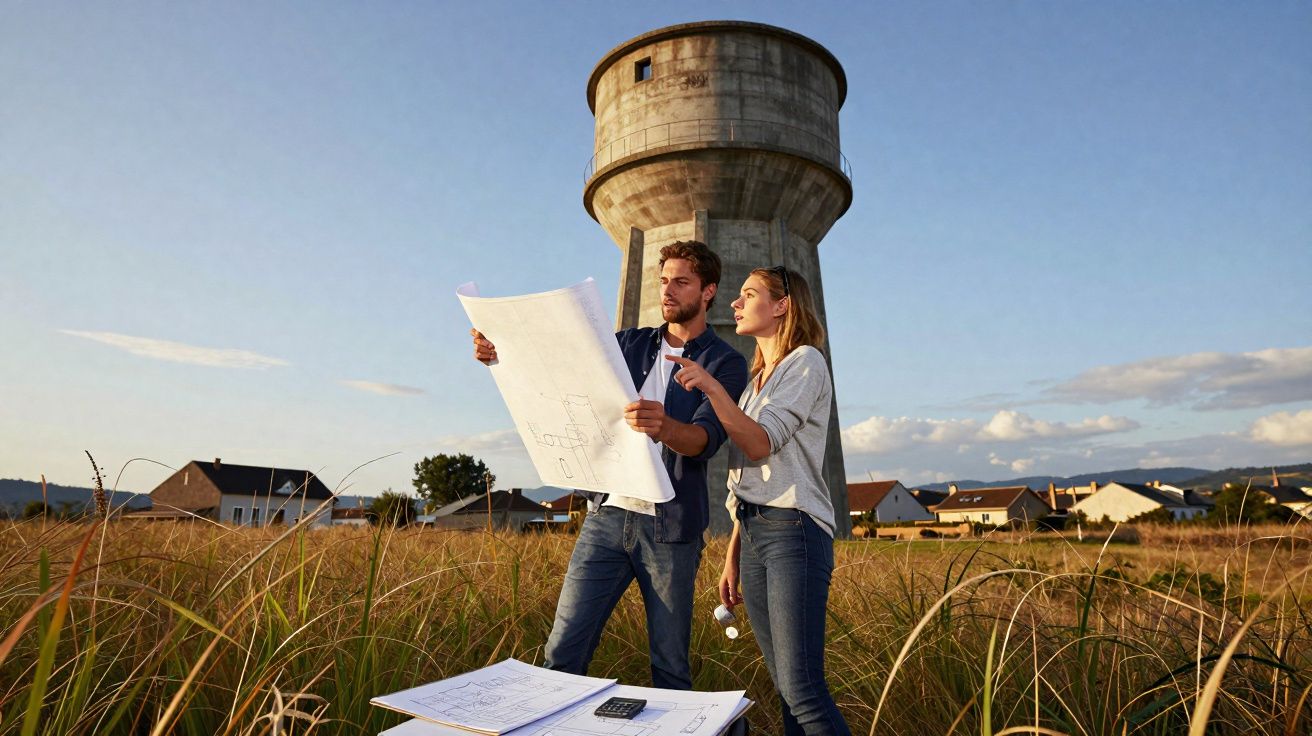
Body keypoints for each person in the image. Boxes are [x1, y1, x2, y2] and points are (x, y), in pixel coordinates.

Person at [470, 241, 749, 690]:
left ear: (708, 291)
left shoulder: (726, 363)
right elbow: (561, 368)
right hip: (606, 517)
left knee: (670, 666)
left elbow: (705, 440)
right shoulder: (628, 343)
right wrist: (500, 353)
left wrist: (664, 426)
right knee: (563, 651)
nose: (668, 291)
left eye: (681, 282)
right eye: (664, 280)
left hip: (672, 527)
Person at [667, 266, 851, 735]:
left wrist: (711, 386)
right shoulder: (755, 382)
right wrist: (734, 553)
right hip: (753, 532)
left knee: (803, 688)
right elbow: (745, 479)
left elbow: (759, 444)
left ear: (782, 305)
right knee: (786, 688)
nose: (735, 303)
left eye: (748, 295)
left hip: (793, 530)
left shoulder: (805, 362)